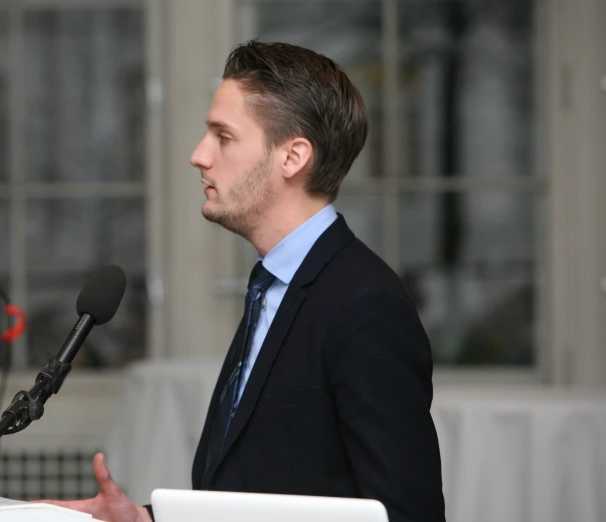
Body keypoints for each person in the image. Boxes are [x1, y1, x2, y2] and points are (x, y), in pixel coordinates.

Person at [39, 40, 446, 522]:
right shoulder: (271, 283)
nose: (198, 155)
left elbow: (406, 513)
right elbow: (253, 489)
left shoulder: (367, 305)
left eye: (223, 137)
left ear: (293, 157)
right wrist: (147, 519)